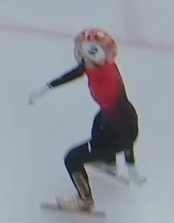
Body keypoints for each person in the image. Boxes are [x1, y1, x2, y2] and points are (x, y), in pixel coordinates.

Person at [29, 29, 142, 214]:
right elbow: (79, 71)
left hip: (120, 132)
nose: (81, 58)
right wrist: (48, 87)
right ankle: (108, 162)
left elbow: (128, 132)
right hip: (113, 119)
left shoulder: (107, 89)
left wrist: (130, 162)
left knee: (72, 158)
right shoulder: (102, 65)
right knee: (98, 121)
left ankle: (85, 201)